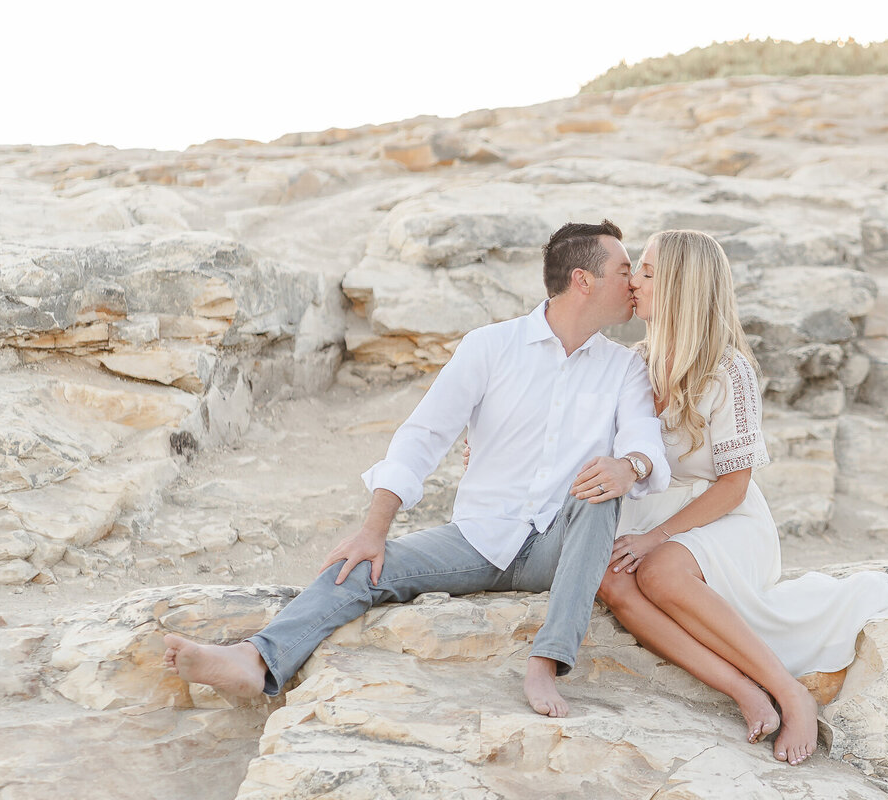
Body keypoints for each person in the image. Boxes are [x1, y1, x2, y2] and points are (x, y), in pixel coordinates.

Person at [162, 220, 670, 718]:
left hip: (562, 549)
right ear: (583, 280)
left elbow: (644, 442)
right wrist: (373, 530)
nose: (635, 283)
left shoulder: (624, 366)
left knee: (601, 486)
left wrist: (632, 465)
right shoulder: (490, 347)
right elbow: (423, 435)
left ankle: (547, 659)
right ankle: (254, 658)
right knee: (361, 567)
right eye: (626, 269)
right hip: (479, 539)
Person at [596, 230, 888, 766]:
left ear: (681, 288)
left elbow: (734, 485)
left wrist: (655, 537)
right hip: (651, 510)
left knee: (660, 573)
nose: (633, 281)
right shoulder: (629, 362)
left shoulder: (727, 370)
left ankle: (790, 693)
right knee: (611, 578)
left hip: (723, 518)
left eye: (646, 272)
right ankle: (742, 688)